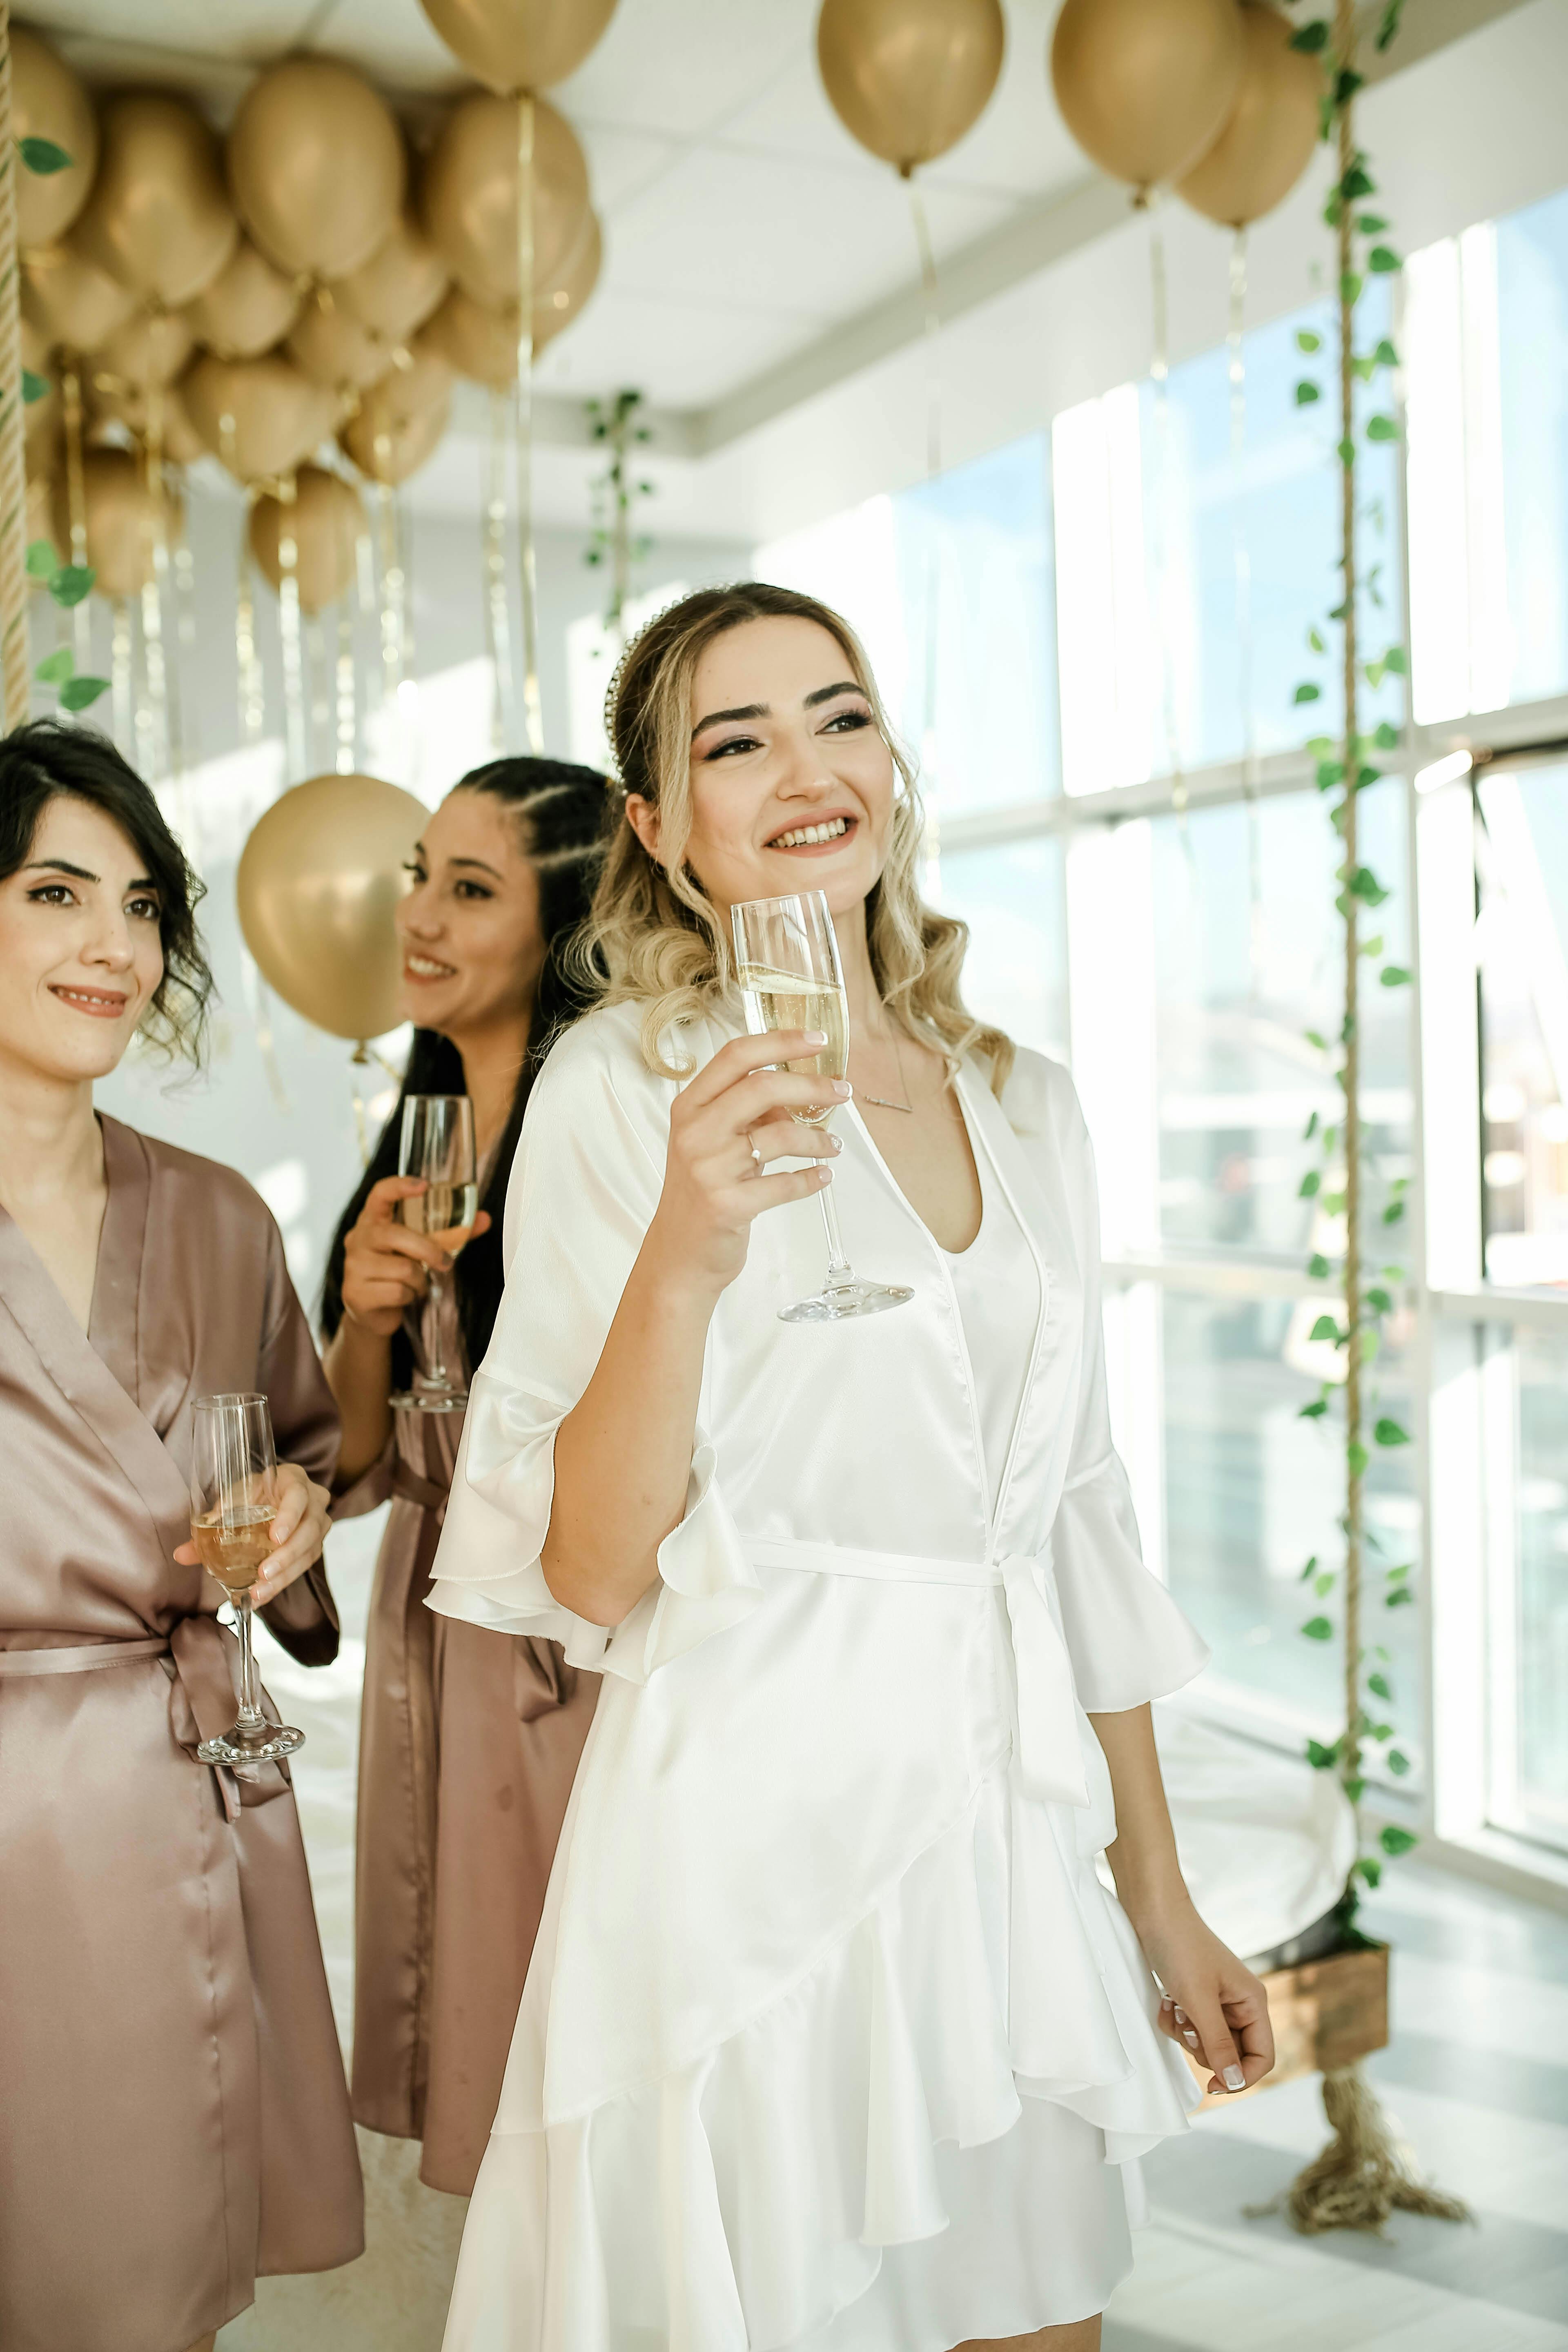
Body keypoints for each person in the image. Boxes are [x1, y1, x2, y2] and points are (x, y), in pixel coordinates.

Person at [428, 584, 1276, 2352]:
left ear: (892, 762)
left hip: (1002, 1843)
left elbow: (1079, 1519)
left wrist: (1160, 1892)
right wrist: (684, 1245)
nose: (806, 769)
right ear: (662, 832)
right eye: (736, 743)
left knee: (1041, 2316)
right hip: (746, 1849)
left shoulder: (1026, 1095)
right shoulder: (619, 1085)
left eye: (841, 716)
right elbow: (586, 1572)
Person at [0, 722, 362, 2352]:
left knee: (146, 2295)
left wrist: (292, 1526)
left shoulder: (215, 1214)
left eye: (141, 907)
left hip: (174, 1804)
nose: (113, 948)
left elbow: (298, 1460)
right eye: (56, 893)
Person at [321, 754, 608, 2196]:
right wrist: (368, 1319)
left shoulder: (603, 1135)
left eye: (470, 887)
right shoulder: (423, 1134)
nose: (420, 914)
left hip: (562, 1619)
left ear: (561, 933)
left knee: (575, 1984)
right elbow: (352, 1458)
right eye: (419, 874)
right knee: (470, 1994)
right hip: (429, 1607)